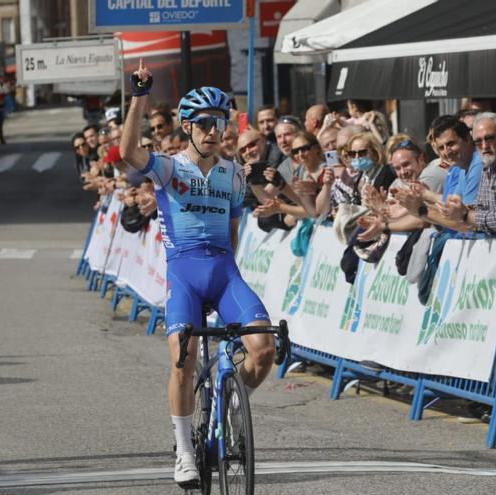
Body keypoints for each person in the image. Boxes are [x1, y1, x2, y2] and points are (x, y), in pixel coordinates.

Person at [119, 60, 275, 489]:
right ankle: (185, 451)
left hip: (224, 271)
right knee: (182, 359)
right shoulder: (170, 168)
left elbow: (236, 226)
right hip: (184, 272)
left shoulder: (233, 175)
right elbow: (129, 151)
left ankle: (228, 401)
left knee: (264, 350)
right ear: (188, 126)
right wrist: (139, 95)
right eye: (204, 123)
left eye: (219, 123)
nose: (212, 131)